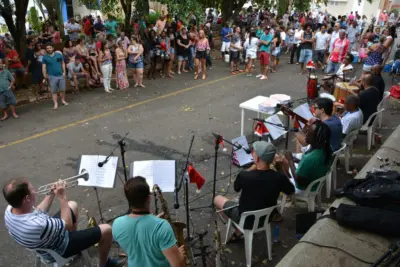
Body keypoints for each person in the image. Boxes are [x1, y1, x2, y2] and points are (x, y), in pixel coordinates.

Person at [3, 178, 125, 267]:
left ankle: (77, 243)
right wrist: (61, 196)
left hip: (42, 242)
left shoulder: (10, 210)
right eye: (32, 190)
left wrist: (51, 193)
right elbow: (67, 224)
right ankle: (104, 264)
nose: (35, 192)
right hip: (58, 247)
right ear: (27, 199)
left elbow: (38, 212)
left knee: (72, 205)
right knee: (107, 230)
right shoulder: (39, 225)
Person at [214, 141, 295, 240]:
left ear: (257, 158)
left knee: (217, 199)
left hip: (246, 219)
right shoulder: (279, 177)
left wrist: (250, 170)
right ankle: (241, 230)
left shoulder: (245, 175)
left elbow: (236, 188)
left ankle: (238, 230)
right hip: (267, 217)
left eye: (254, 152)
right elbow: (291, 190)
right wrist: (280, 169)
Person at [112, 177, 186, 266]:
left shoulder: (116, 224)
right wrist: (180, 255)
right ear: (148, 199)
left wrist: (152, 221)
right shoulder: (161, 227)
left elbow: (134, 245)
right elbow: (177, 265)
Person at [284, 120, 332, 191]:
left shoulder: (309, 158)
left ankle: (287, 195)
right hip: (314, 182)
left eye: (309, 133)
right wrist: (297, 160)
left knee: (280, 165)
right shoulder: (327, 149)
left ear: (317, 139)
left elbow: (298, 180)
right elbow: (313, 165)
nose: (306, 133)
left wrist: (290, 160)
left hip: (303, 188)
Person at [42, 44, 68, 110]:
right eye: (47, 48)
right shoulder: (45, 57)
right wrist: (44, 75)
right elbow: (44, 67)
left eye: (50, 48)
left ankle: (62, 100)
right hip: (52, 76)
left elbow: (62, 63)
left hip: (61, 75)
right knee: (54, 91)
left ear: (53, 48)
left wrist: (64, 72)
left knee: (62, 90)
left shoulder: (59, 55)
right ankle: (55, 103)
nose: (49, 49)